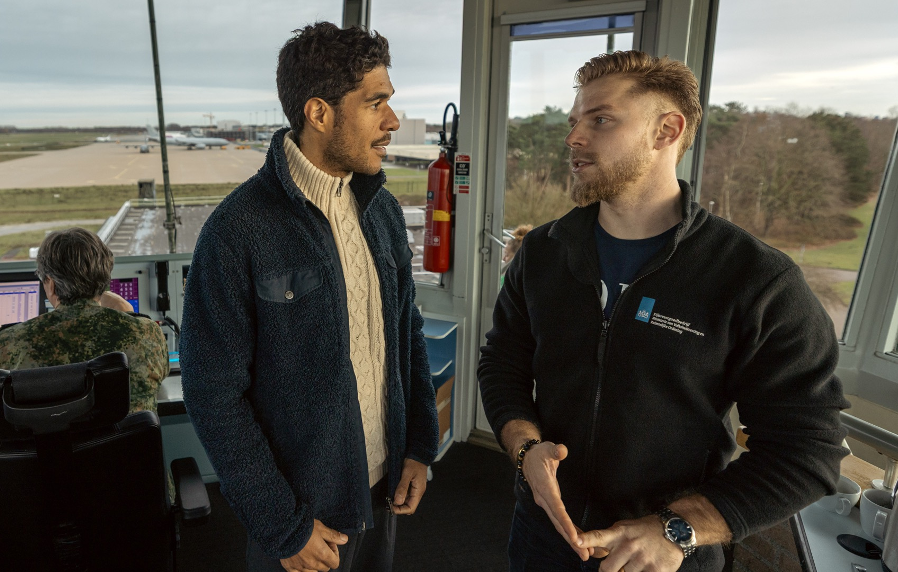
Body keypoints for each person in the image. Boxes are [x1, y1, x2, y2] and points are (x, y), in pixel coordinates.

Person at [478, 50, 849, 572]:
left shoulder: (755, 279)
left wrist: (678, 528)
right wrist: (525, 448)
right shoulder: (543, 252)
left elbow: (808, 449)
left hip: (667, 556)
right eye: (573, 122)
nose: (572, 138)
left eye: (600, 119)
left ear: (666, 130)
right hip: (543, 534)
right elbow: (502, 362)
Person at [180, 22, 438, 572]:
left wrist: (418, 445)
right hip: (302, 519)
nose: (392, 121)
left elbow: (406, 335)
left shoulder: (383, 212)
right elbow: (212, 393)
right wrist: (280, 524)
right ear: (319, 113)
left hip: (381, 492)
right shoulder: (238, 230)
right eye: (376, 104)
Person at [0, 227, 169, 442]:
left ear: (49, 283)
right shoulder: (146, 333)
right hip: (132, 481)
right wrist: (129, 316)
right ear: (105, 278)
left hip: (42, 481)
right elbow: (160, 371)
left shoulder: (10, 343)